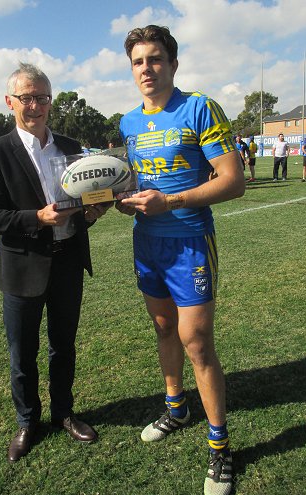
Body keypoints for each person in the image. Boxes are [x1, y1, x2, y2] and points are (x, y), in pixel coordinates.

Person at [116, 25, 245, 495]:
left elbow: (233, 181)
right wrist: (119, 198)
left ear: (173, 63)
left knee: (197, 342)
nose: (146, 69)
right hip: (146, 243)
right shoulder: (128, 123)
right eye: (137, 62)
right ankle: (176, 407)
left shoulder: (199, 107)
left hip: (189, 241)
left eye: (154, 59)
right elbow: (136, 181)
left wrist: (170, 203)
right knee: (165, 329)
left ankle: (219, 446)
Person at [0, 62, 110, 463]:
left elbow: (87, 198)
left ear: (51, 101)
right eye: (26, 98)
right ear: (9, 101)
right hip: (23, 268)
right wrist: (37, 217)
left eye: (42, 98)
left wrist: (93, 211)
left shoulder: (72, 147)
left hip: (68, 262)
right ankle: (27, 420)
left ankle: (64, 413)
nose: (35, 105)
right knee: (22, 353)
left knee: (63, 347)